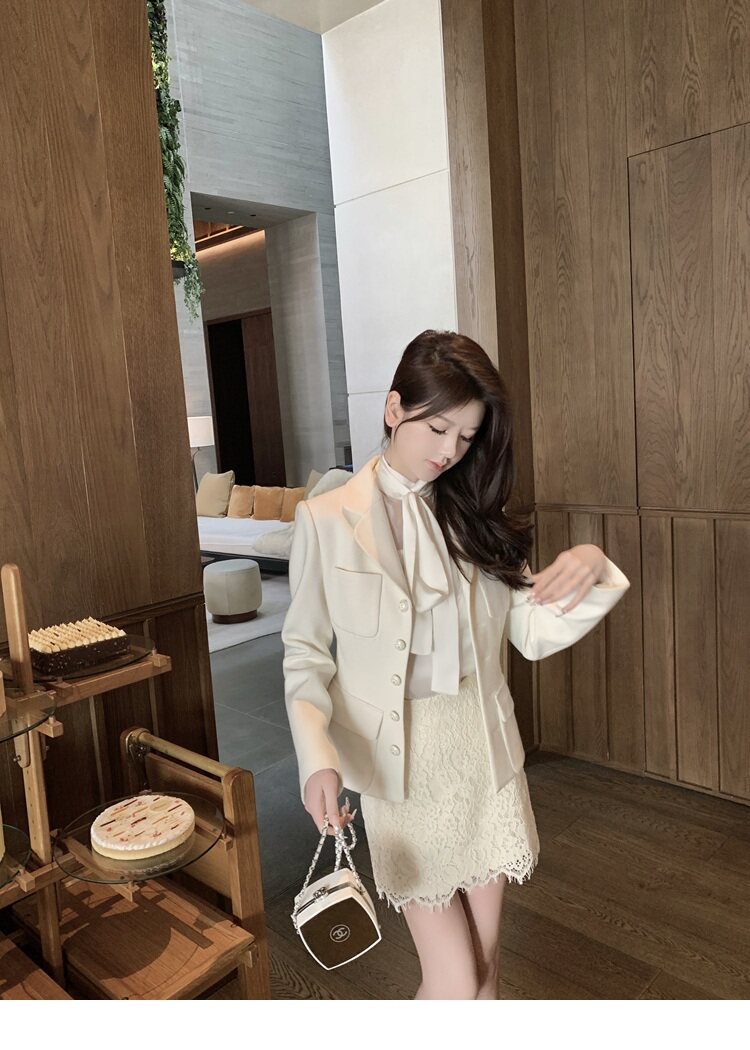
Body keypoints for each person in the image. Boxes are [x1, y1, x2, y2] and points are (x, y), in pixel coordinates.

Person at [282, 329, 630, 999]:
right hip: (398, 767)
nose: (449, 451)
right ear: (393, 408)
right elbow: (305, 654)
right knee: (454, 978)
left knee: (485, 974)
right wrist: (316, 758)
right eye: (438, 428)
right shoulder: (325, 520)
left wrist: (591, 565)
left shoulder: (474, 515)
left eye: (467, 437)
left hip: (482, 751)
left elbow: (529, 633)